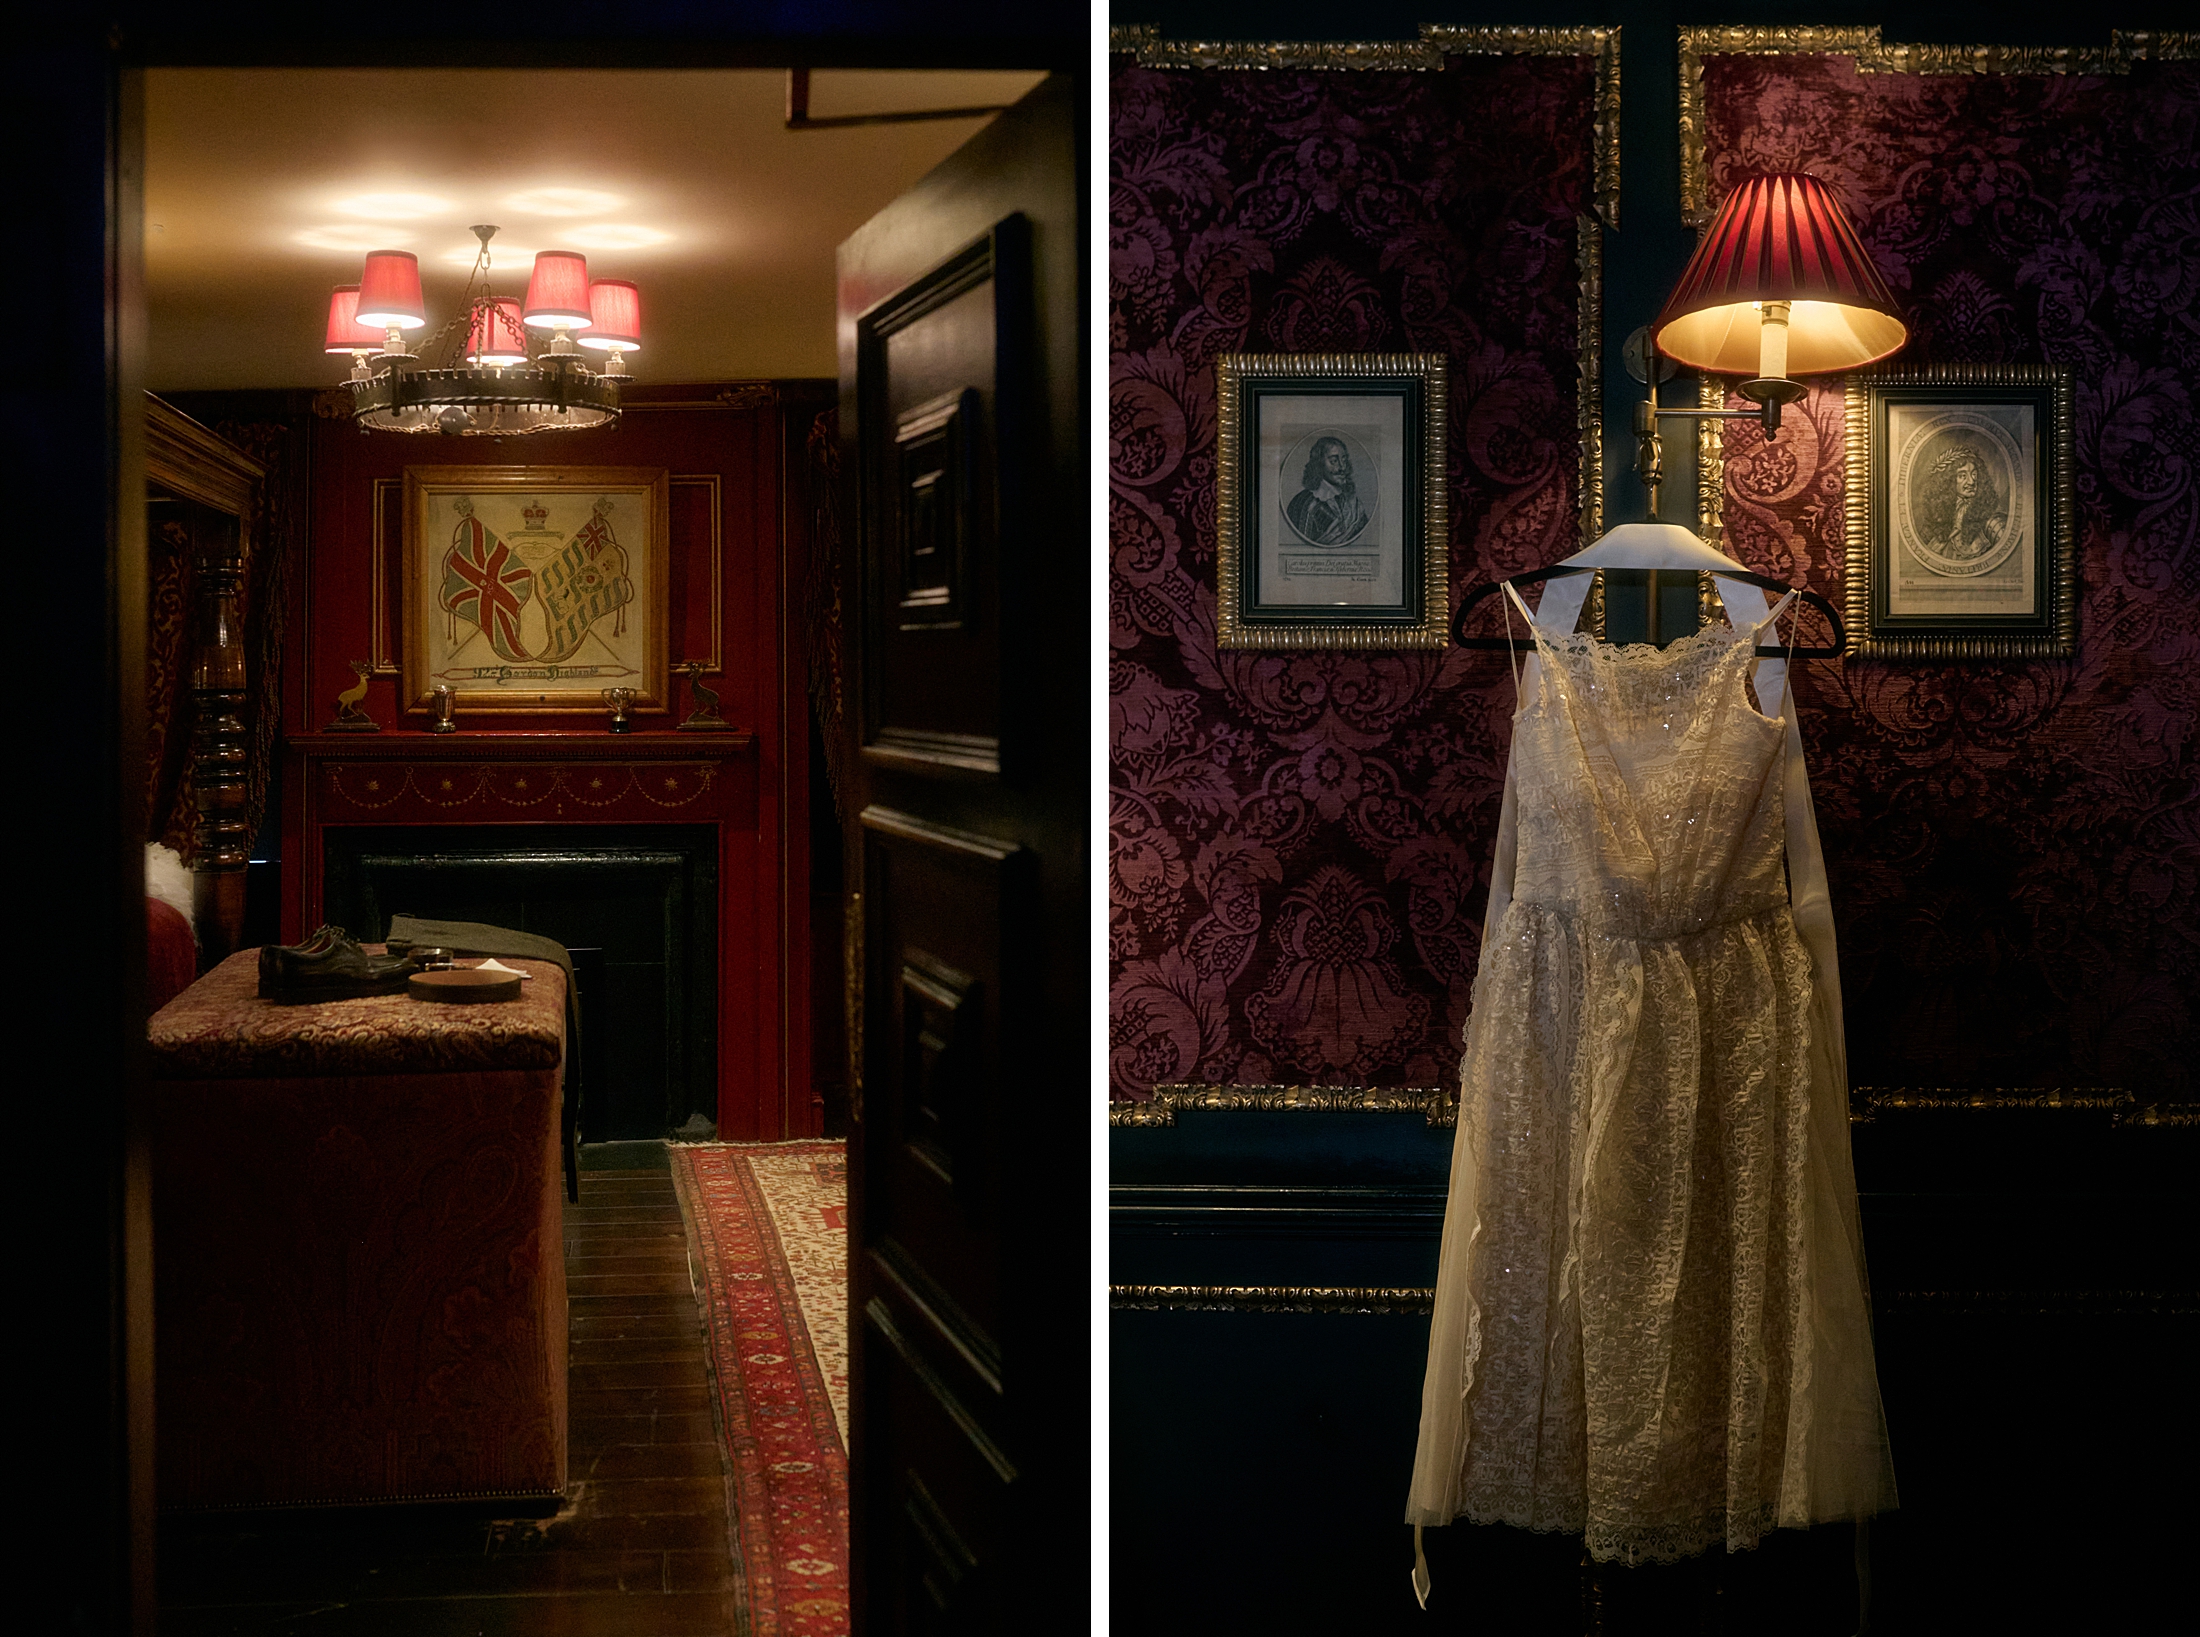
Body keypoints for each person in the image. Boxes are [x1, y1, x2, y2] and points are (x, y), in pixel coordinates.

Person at [1916, 443, 2003, 562]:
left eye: (1974, 475)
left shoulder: (1992, 522)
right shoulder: (1937, 520)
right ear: (1948, 481)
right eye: (1963, 476)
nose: (1971, 481)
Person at [1284, 436, 1369, 546]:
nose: (1342, 467)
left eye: (1344, 459)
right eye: (1334, 461)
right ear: (1319, 464)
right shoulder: (1303, 503)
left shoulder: (1353, 503)